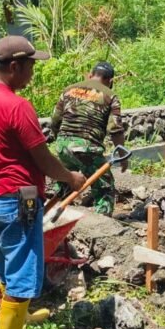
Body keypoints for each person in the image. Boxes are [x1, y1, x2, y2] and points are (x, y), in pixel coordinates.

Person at [0, 35, 87, 329]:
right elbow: (43, 158)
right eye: (31, 66)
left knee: (8, 262)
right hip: (19, 196)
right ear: (14, 66)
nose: (33, 73)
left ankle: (19, 314)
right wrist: (70, 177)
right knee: (24, 266)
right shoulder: (17, 106)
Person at [48, 61, 127, 216]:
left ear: (90, 75)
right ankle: (101, 224)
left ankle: (51, 213)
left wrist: (63, 143)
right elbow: (115, 129)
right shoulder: (110, 96)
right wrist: (123, 156)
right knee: (104, 186)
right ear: (110, 81)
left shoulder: (68, 90)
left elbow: (55, 121)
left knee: (65, 181)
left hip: (63, 144)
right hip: (87, 147)